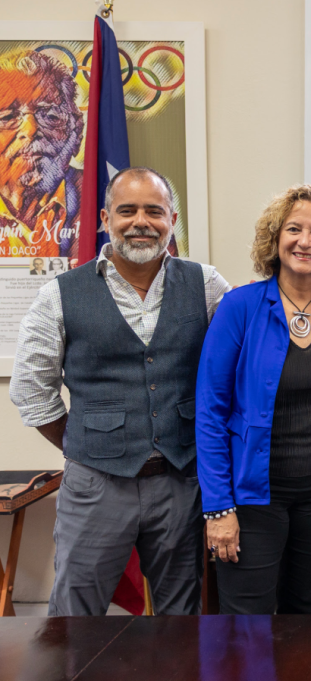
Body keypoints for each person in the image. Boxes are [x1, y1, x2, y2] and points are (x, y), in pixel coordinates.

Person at [9, 166, 230, 615]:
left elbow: (239, 366)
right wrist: (84, 441)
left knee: (182, 618)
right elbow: (31, 388)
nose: (141, 222)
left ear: (172, 220)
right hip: (96, 485)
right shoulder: (59, 294)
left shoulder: (206, 284)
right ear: (105, 219)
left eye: (154, 211)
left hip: (181, 482)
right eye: (127, 211)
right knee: (74, 618)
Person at [196, 185, 311, 615]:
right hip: (252, 498)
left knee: (307, 615)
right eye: (294, 229)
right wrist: (218, 508)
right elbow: (210, 413)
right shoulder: (240, 306)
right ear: (275, 237)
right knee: (247, 621)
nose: (305, 241)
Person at [0, 50, 82, 259]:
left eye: (51, 116)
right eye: (7, 117)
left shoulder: (105, 199)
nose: (30, 130)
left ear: (76, 132)